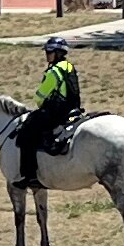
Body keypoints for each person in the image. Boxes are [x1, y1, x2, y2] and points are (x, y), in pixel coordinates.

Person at [13, 33, 83, 188]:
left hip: (57, 112)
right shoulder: (69, 67)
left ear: (58, 53)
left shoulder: (53, 72)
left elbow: (39, 98)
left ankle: (29, 176)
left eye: (49, 52)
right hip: (73, 109)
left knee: (26, 134)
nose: (47, 55)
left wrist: (41, 103)